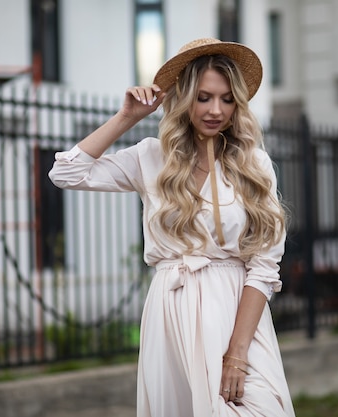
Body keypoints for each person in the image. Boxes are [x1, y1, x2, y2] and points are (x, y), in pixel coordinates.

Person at [48, 38, 296, 417]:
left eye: (227, 99)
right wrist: (127, 118)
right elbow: (66, 172)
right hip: (172, 306)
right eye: (204, 97)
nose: (216, 110)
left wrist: (238, 350)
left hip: (236, 307)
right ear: (182, 98)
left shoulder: (254, 164)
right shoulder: (151, 156)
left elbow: (264, 265)